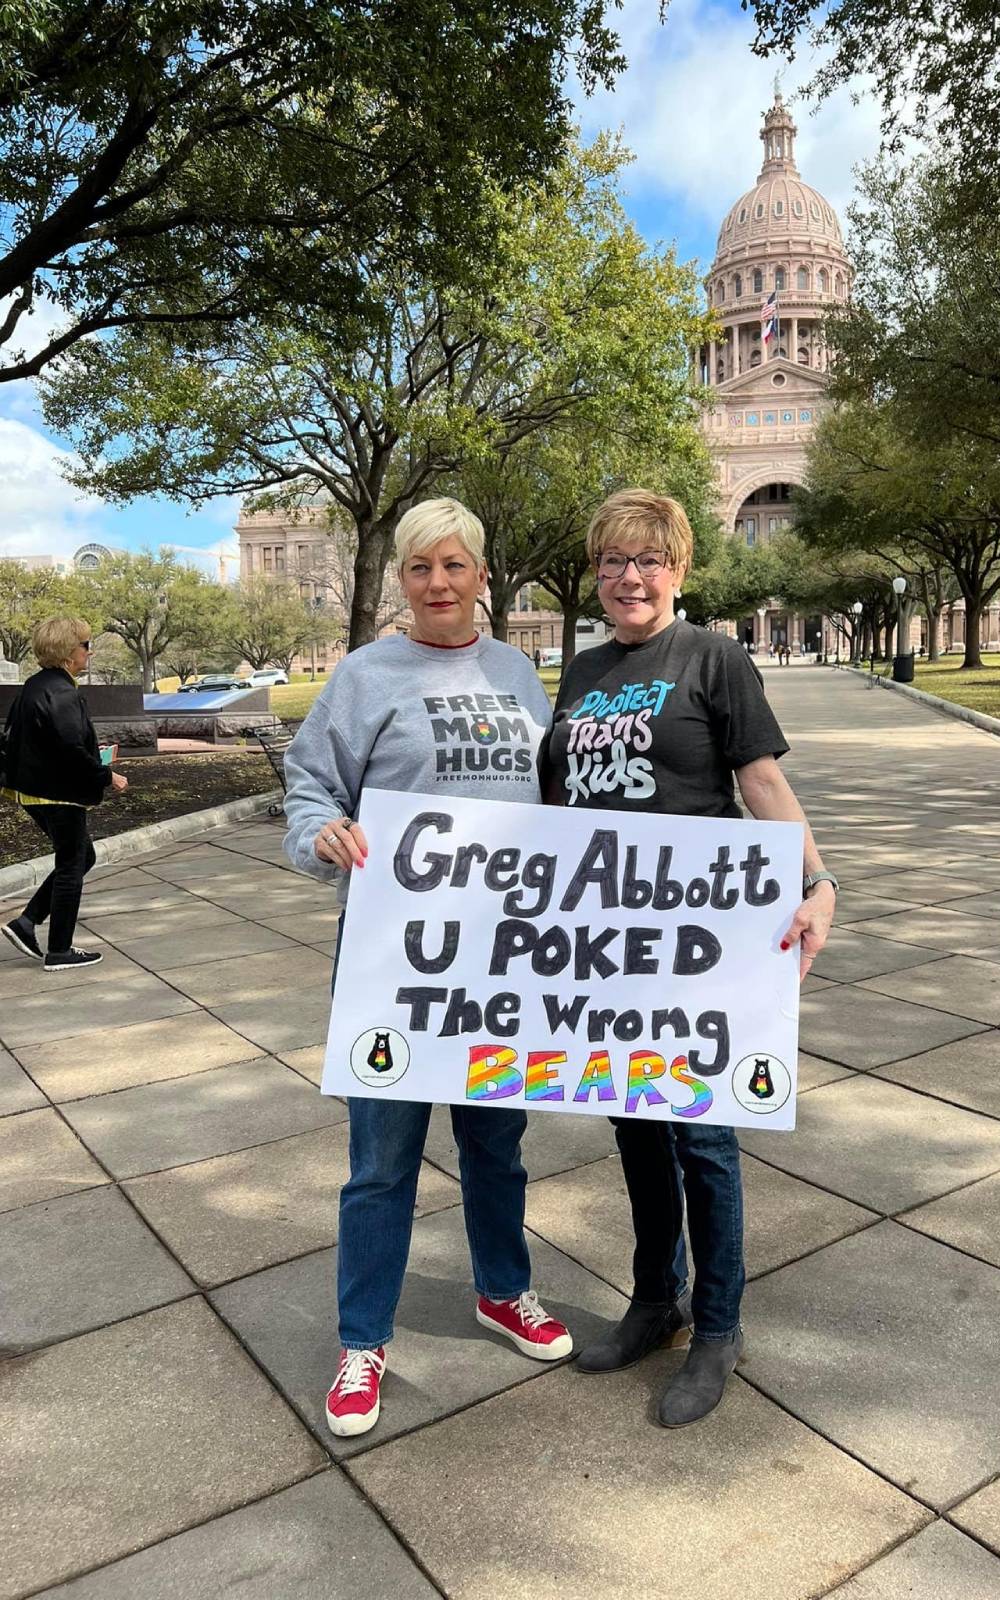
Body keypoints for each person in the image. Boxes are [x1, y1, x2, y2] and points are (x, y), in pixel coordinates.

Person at [542, 489, 836, 1428]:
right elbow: (555, 808)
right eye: (613, 561)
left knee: (700, 1136)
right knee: (631, 1125)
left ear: (678, 570)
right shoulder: (581, 671)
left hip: (697, 937)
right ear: (596, 574)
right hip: (605, 940)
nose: (630, 577)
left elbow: (759, 780)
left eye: (649, 560)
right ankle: (654, 1298)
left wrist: (818, 883)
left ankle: (718, 1327)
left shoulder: (714, 655)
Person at [283, 497, 573, 1440]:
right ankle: (363, 1338)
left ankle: (503, 1290)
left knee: (497, 1145)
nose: (438, 584)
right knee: (382, 1163)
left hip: (500, 965)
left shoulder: (520, 675)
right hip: (392, 964)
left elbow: (555, 809)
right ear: (402, 581)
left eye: (454, 566)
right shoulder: (366, 676)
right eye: (419, 569)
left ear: (483, 574)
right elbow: (309, 782)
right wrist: (318, 832)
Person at [1, 617, 128, 970]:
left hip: (34, 790)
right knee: (73, 863)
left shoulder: (35, 685)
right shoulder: (62, 692)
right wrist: (107, 775)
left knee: (80, 856)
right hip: (58, 792)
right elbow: (70, 749)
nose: (90, 651)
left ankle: (26, 923)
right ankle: (59, 950)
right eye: (85, 645)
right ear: (68, 651)